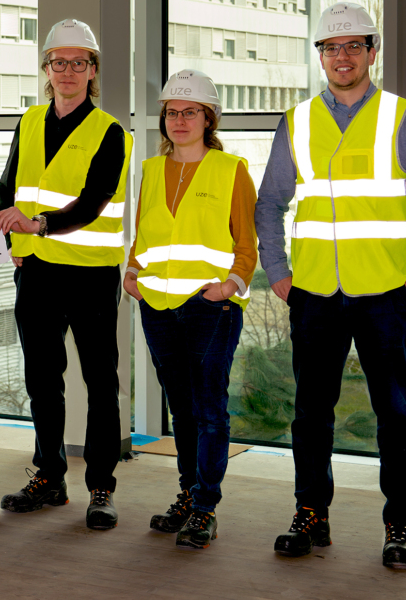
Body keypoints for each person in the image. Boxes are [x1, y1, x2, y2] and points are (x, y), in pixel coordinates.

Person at [255, 2, 406, 568]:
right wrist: (278, 273)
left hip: (384, 295)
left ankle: (399, 525)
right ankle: (311, 515)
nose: (341, 57)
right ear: (320, 56)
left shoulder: (403, 116)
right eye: (331, 47)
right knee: (310, 414)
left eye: (353, 46)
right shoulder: (296, 122)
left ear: (372, 52)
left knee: (395, 415)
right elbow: (269, 204)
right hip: (314, 296)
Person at [0, 19, 132, 530]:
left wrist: (40, 225)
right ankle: (49, 475)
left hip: (92, 275)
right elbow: (8, 187)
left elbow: (94, 201)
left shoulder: (111, 131)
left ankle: (101, 487)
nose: (68, 71)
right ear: (46, 69)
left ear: (92, 70)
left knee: (100, 381)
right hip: (38, 273)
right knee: (41, 379)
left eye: (79, 62)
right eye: (59, 62)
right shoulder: (29, 121)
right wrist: (15, 240)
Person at [123, 69, 255, 549]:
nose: (180, 120)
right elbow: (145, 233)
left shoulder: (231, 169)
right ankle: (188, 492)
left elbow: (247, 241)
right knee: (181, 410)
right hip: (157, 307)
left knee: (209, 410)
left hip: (209, 309)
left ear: (208, 118)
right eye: (172, 113)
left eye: (190, 112)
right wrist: (132, 271)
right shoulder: (152, 170)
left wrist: (230, 286)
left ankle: (205, 507)